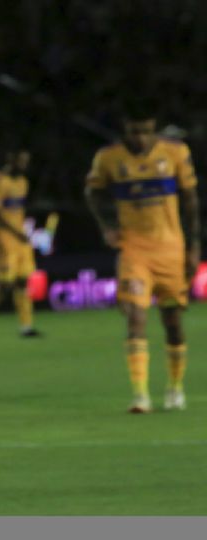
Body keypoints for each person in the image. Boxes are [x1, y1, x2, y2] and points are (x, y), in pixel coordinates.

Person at [85, 101, 200, 413]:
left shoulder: (176, 152)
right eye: (135, 132)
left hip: (171, 249)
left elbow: (190, 201)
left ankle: (175, 388)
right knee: (135, 318)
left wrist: (194, 247)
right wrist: (107, 226)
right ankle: (140, 396)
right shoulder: (108, 158)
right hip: (134, 249)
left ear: (155, 129)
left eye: (147, 131)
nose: (141, 139)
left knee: (173, 322)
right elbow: (92, 193)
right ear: (125, 128)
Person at [0, 148, 41, 339]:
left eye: (26, 162)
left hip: (20, 239)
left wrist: (21, 233)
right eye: (21, 161)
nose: (24, 166)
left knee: (22, 282)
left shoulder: (22, 182)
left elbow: (18, 211)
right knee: (4, 284)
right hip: (4, 240)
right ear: (11, 159)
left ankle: (26, 327)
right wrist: (16, 233)